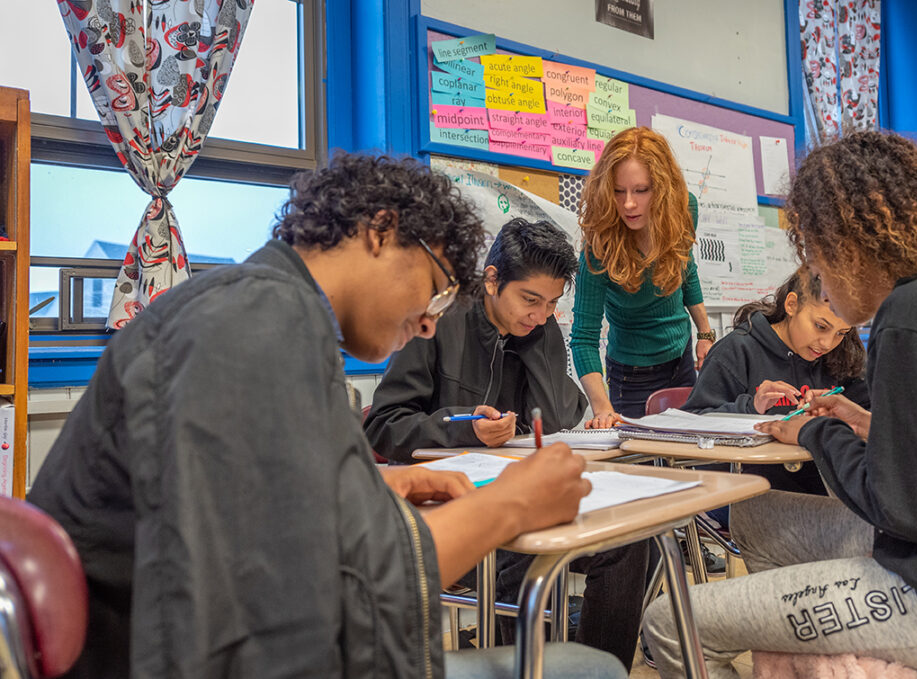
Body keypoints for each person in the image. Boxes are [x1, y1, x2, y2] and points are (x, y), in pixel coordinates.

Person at [27, 153, 625, 679]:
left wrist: (372, 482)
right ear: (382, 233)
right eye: (438, 289)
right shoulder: (252, 323)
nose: (428, 321)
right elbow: (325, 589)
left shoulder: (261, 308)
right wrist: (512, 503)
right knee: (591, 669)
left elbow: (249, 501)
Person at [642, 132, 917, 678]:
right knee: (758, 515)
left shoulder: (913, 315)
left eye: (816, 259)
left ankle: (785, 627)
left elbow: (904, 514)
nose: (818, 275)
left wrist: (814, 434)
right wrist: (867, 422)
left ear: (846, 248)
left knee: (669, 620)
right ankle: (783, 635)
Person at [363, 217, 648, 670]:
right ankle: (521, 663)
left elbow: (555, 418)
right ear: (492, 280)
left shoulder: (540, 329)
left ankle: (599, 666)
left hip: (526, 491)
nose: (540, 313)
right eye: (530, 300)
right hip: (459, 506)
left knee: (633, 541)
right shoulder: (438, 321)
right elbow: (383, 426)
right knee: (521, 561)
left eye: (552, 303)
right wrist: (460, 428)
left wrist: (535, 339)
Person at [570, 126, 715, 425]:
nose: (629, 204)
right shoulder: (600, 243)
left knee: (689, 454)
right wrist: (602, 408)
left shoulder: (684, 208)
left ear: (662, 188)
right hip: (631, 373)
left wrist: (704, 333)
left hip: (681, 356)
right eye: (618, 191)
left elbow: (685, 268)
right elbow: (583, 337)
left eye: (641, 190)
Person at [682, 266, 868, 494]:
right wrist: (751, 408)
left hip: (820, 486)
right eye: (820, 326)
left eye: (841, 333)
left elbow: (874, 416)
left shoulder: (842, 356)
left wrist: (849, 418)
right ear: (792, 305)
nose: (827, 343)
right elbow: (691, 427)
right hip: (745, 489)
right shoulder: (737, 350)